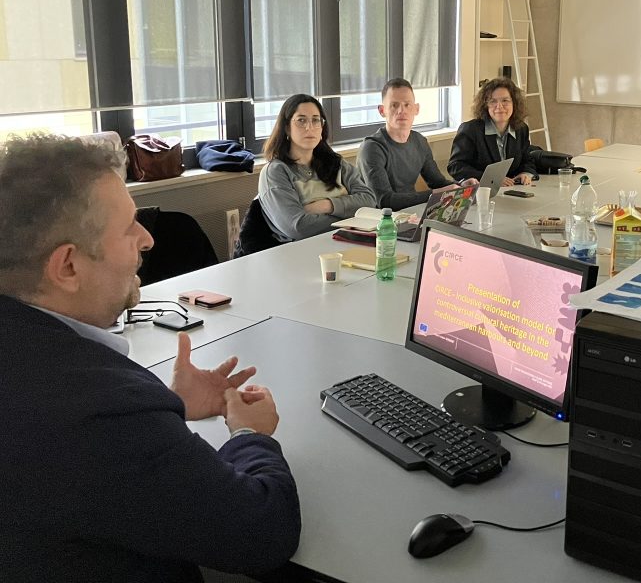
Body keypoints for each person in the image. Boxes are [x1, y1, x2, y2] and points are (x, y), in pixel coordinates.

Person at [0, 135, 301, 581]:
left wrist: (168, 406)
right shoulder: (96, 410)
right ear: (67, 267)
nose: (147, 239)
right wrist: (249, 435)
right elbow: (262, 532)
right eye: (129, 227)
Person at [259, 93, 375, 241]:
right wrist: (352, 217)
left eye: (315, 120)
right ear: (287, 128)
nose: (310, 127)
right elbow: (298, 227)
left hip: (349, 241)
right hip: (303, 250)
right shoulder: (275, 172)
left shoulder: (337, 163)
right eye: (301, 120)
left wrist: (327, 205)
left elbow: (370, 201)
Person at [358, 78, 471, 211]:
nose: (401, 110)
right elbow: (385, 200)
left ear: (416, 109)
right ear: (382, 111)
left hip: (410, 213)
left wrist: (461, 185)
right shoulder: (372, 148)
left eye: (407, 105)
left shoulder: (420, 141)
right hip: (378, 219)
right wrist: (437, 194)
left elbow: (437, 182)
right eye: (394, 105)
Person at [447, 77, 539, 186]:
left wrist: (525, 173)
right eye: (493, 101)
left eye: (505, 101)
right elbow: (455, 166)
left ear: (514, 103)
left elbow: (527, 160)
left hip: (511, 190)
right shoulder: (470, 130)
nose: (499, 106)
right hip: (480, 190)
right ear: (486, 105)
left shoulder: (521, 129)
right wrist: (490, 178)